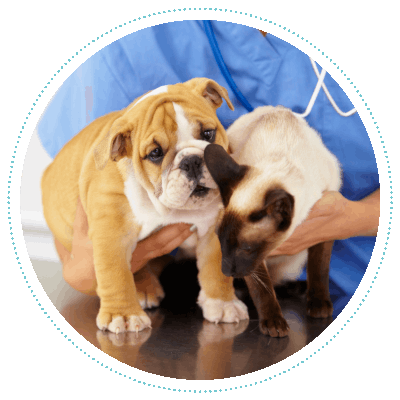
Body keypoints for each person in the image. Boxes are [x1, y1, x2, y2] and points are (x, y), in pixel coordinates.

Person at [37, 21, 379, 303]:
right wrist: (86, 269)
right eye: (157, 152)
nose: (193, 161)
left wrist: (356, 218)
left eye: (207, 136)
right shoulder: (123, 48)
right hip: (179, 302)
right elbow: (72, 194)